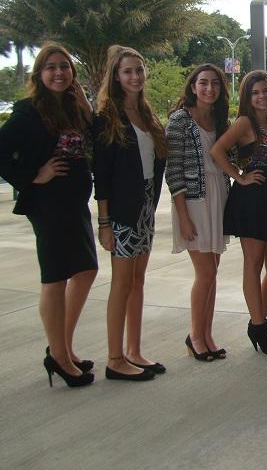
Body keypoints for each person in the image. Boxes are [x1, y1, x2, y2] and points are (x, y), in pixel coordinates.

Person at [0, 43, 97, 387]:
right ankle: (58, 355)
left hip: (75, 203)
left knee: (86, 270)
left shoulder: (72, 108)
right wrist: (32, 176)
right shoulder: (28, 111)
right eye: (51, 67)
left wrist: (85, 101)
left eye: (64, 67)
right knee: (55, 278)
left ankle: (63, 347)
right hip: (48, 204)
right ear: (39, 74)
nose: (58, 72)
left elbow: (96, 137)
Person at [210, 70, 267, 354]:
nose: (262, 96)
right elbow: (217, 150)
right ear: (247, 97)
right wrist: (239, 176)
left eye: (266, 90)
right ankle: (261, 327)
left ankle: (255, 322)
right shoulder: (244, 122)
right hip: (252, 196)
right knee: (254, 262)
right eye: (256, 92)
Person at [94, 45, 167, 381]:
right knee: (121, 284)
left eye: (139, 70)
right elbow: (103, 177)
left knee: (138, 281)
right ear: (116, 76)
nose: (135, 76)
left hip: (145, 203)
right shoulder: (107, 118)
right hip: (122, 209)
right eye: (127, 72)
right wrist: (105, 222)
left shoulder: (147, 114)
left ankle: (134, 351)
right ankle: (114, 358)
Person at [166, 64, 231, 362]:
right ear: (193, 87)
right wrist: (183, 216)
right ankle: (195, 335)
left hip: (218, 196)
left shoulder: (220, 119)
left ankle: (207, 333)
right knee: (204, 273)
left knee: (213, 273)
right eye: (203, 83)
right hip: (193, 201)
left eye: (215, 83)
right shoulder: (180, 120)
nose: (209, 88)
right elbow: (174, 172)